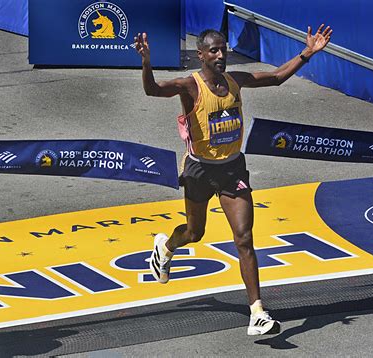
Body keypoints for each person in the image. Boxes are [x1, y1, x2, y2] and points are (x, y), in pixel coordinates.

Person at [134, 24, 332, 335]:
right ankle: (166, 247)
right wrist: (146, 62)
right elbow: (153, 90)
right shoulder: (190, 86)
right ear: (200, 55)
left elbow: (277, 77)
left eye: (223, 49)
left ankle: (257, 312)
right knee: (193, 232)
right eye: (213, 50)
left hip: (232, 169)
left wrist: (307, 52)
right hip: (199, 170)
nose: (221, 55)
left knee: (244, 238)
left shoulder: (235, 81)